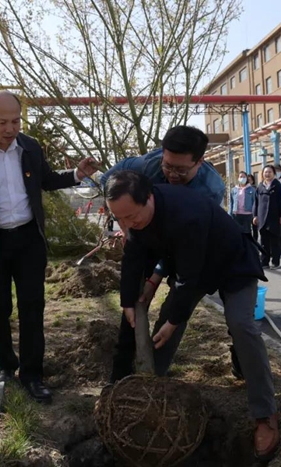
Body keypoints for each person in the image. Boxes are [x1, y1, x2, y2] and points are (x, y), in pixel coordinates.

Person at [105, 170, 280, 461]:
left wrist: (175, 321)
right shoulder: (135, 218)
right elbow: (134, 259)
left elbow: (189, 277)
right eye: (119, 219)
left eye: (131, 217)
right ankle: (149, 390)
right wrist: (128, 302)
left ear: (149, 197)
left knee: (241, 325)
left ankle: (266, 414)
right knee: (165, 324)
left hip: (232, 264)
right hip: (193, 269)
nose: (126, 225)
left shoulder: (186, 214)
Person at [0, 90, 98, 402]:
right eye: (2, 122)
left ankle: (33, 374)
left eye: (16, 121)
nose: (10, 129)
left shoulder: (29, 147)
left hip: (27, 239)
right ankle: (5, 366)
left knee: (33, 307)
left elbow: (47, 180)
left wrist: (77, 174)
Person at [99, 126, 232, 381]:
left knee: (177, 305)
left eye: (181, 170)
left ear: (199, 162)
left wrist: (157, 276)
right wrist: (127, 224)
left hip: (186, 250)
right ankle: (120, 374)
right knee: (132, 300)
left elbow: (187, 248)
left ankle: (154, 377)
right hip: (143, 238)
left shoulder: (209, 190)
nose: (171, 173)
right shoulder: (148, 165)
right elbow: (109, 181)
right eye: (167, 165)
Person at [253, 165, 281, 269]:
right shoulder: (260, 187)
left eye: (269, 172)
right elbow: (256, 202)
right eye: (265, 172)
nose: (267, 174)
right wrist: (255, 216)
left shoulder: (278, 186)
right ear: (262, 174)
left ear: (274, 174)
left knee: (275, 241)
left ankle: (275, 262)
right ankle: (264, 262)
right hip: (262, 218)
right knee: (264, 242)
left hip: (274, 217)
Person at [247, 173, 259, 242]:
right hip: (247, 212)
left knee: (255, 228)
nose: (249, 182)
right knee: (248, 229)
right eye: (248, 180)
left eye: (250, 180)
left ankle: (255, 242)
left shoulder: (255, 189)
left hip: (254, 211)